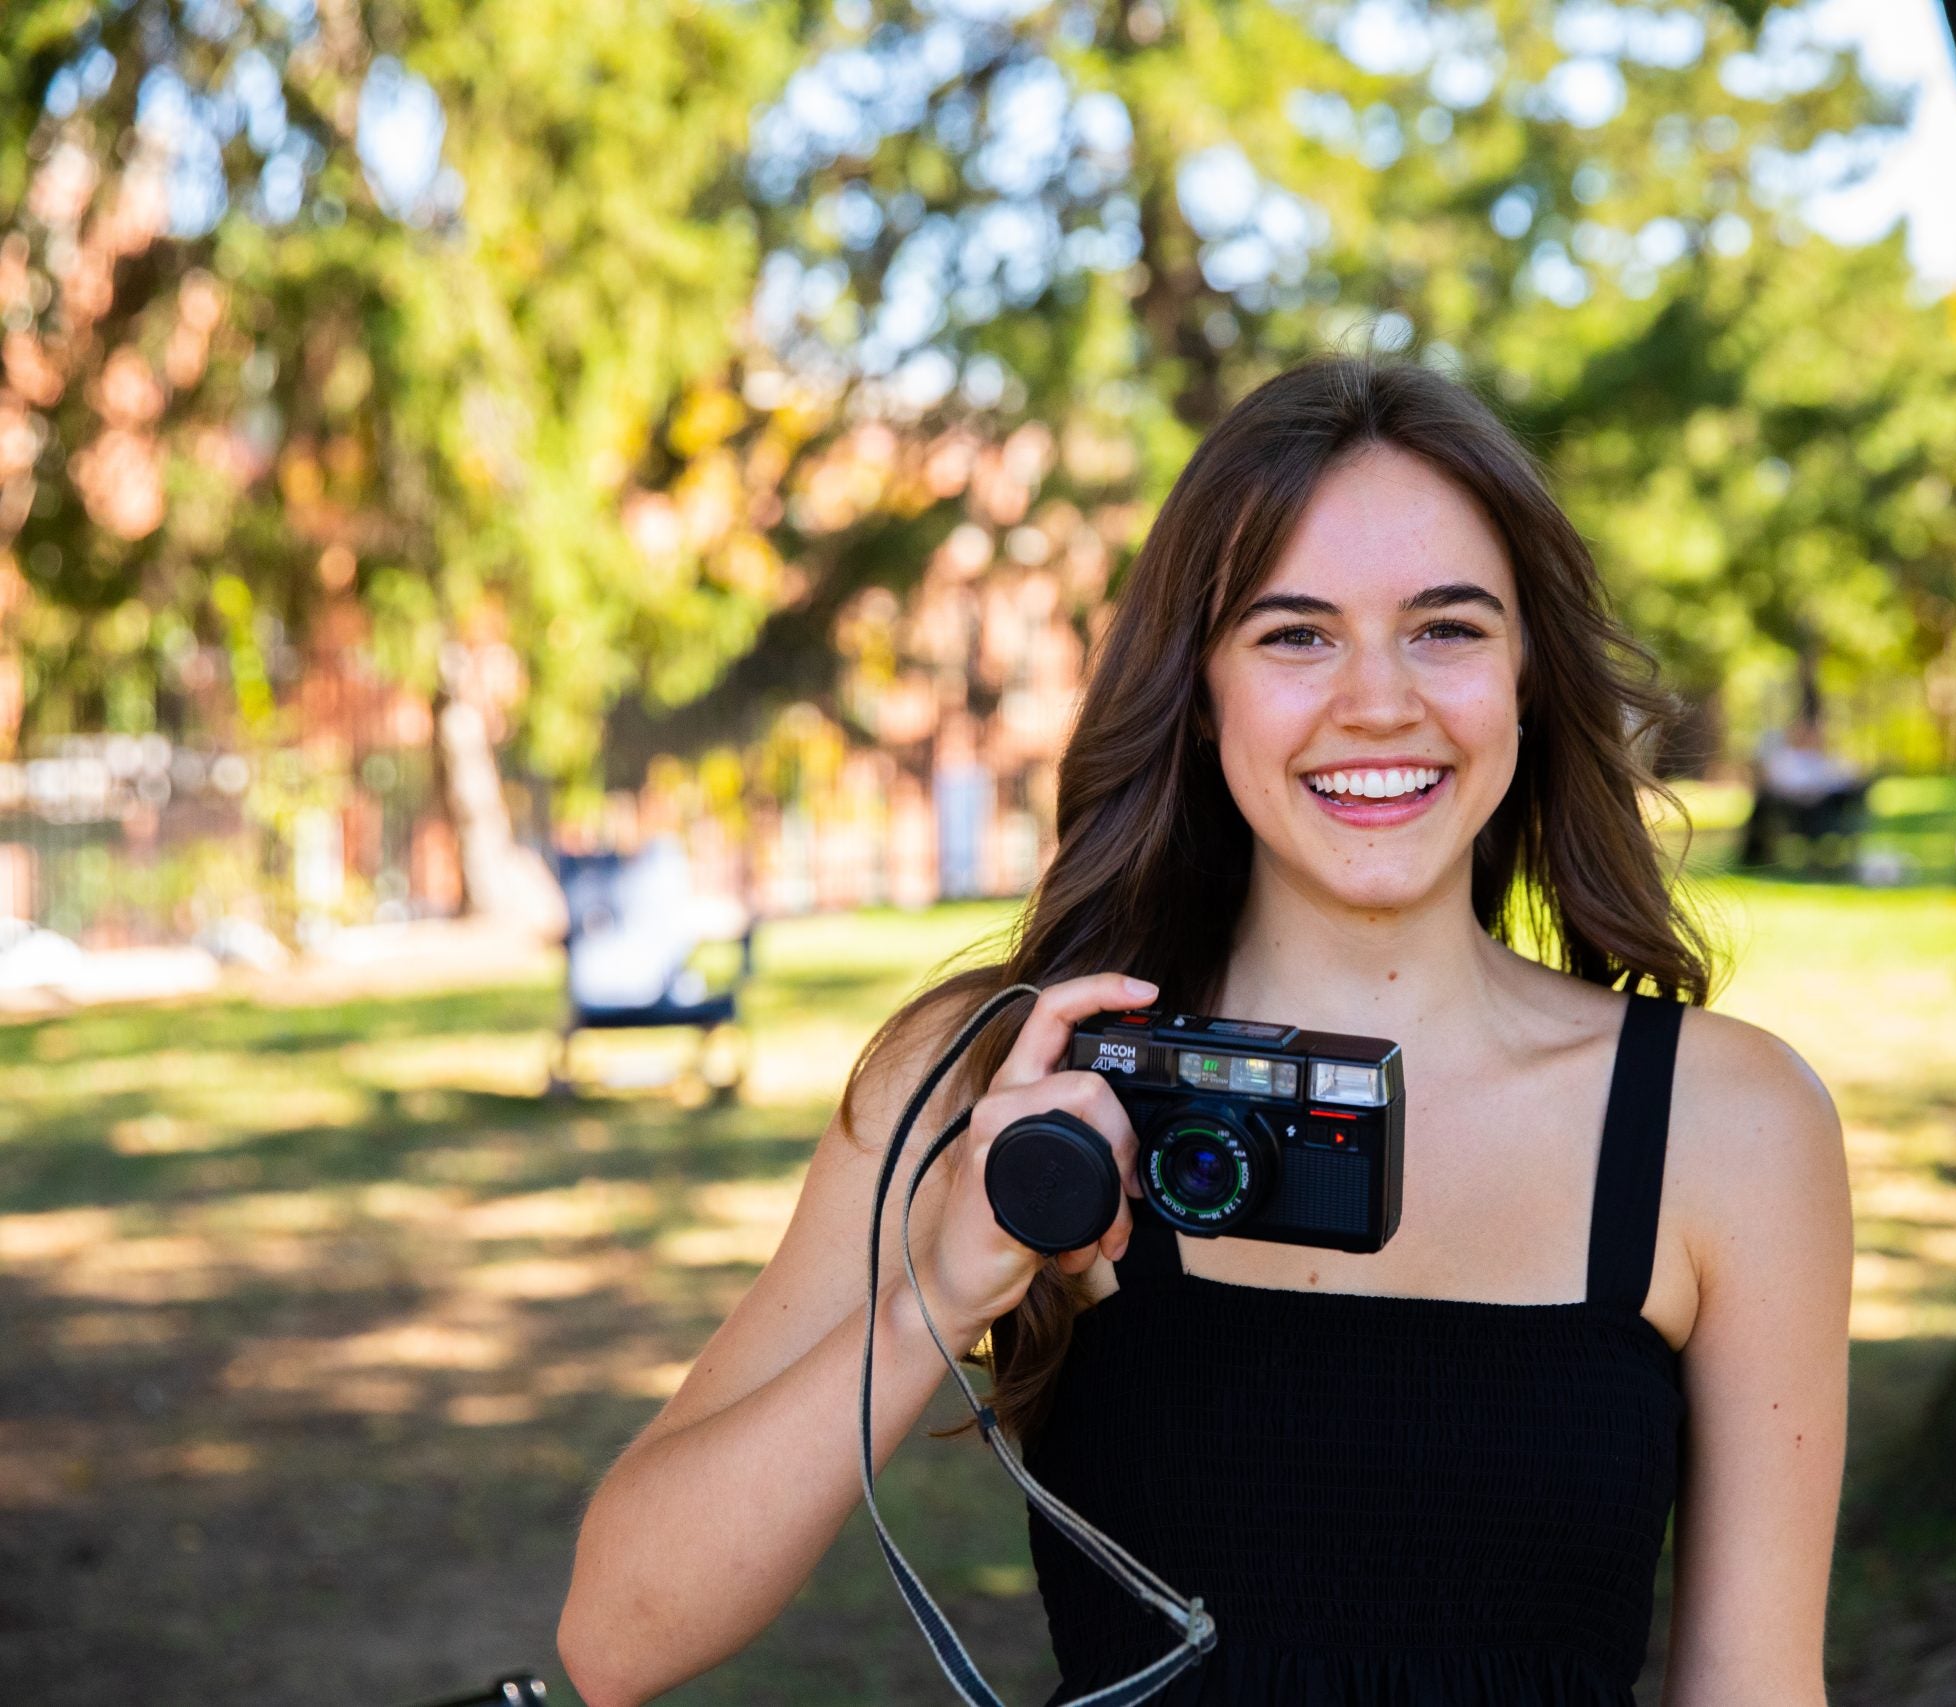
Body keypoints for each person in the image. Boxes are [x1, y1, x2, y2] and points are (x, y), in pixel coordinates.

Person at [556, 358, 1853, 1707]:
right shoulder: (1000, 1078)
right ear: (1202, 682)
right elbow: (618, 1633)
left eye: (1447, 627)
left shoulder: (1731, 1123)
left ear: (1526, 675)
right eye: (1295, 633)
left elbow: (1757, 1682)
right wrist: (936, 1288)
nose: (1378, 701)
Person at [1737, 706, 1871, 871]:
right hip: (1791, 809)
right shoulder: (1785, 760)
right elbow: (1776, 784)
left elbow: (1849, 781)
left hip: (1824, 809)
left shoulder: (1830, 761)